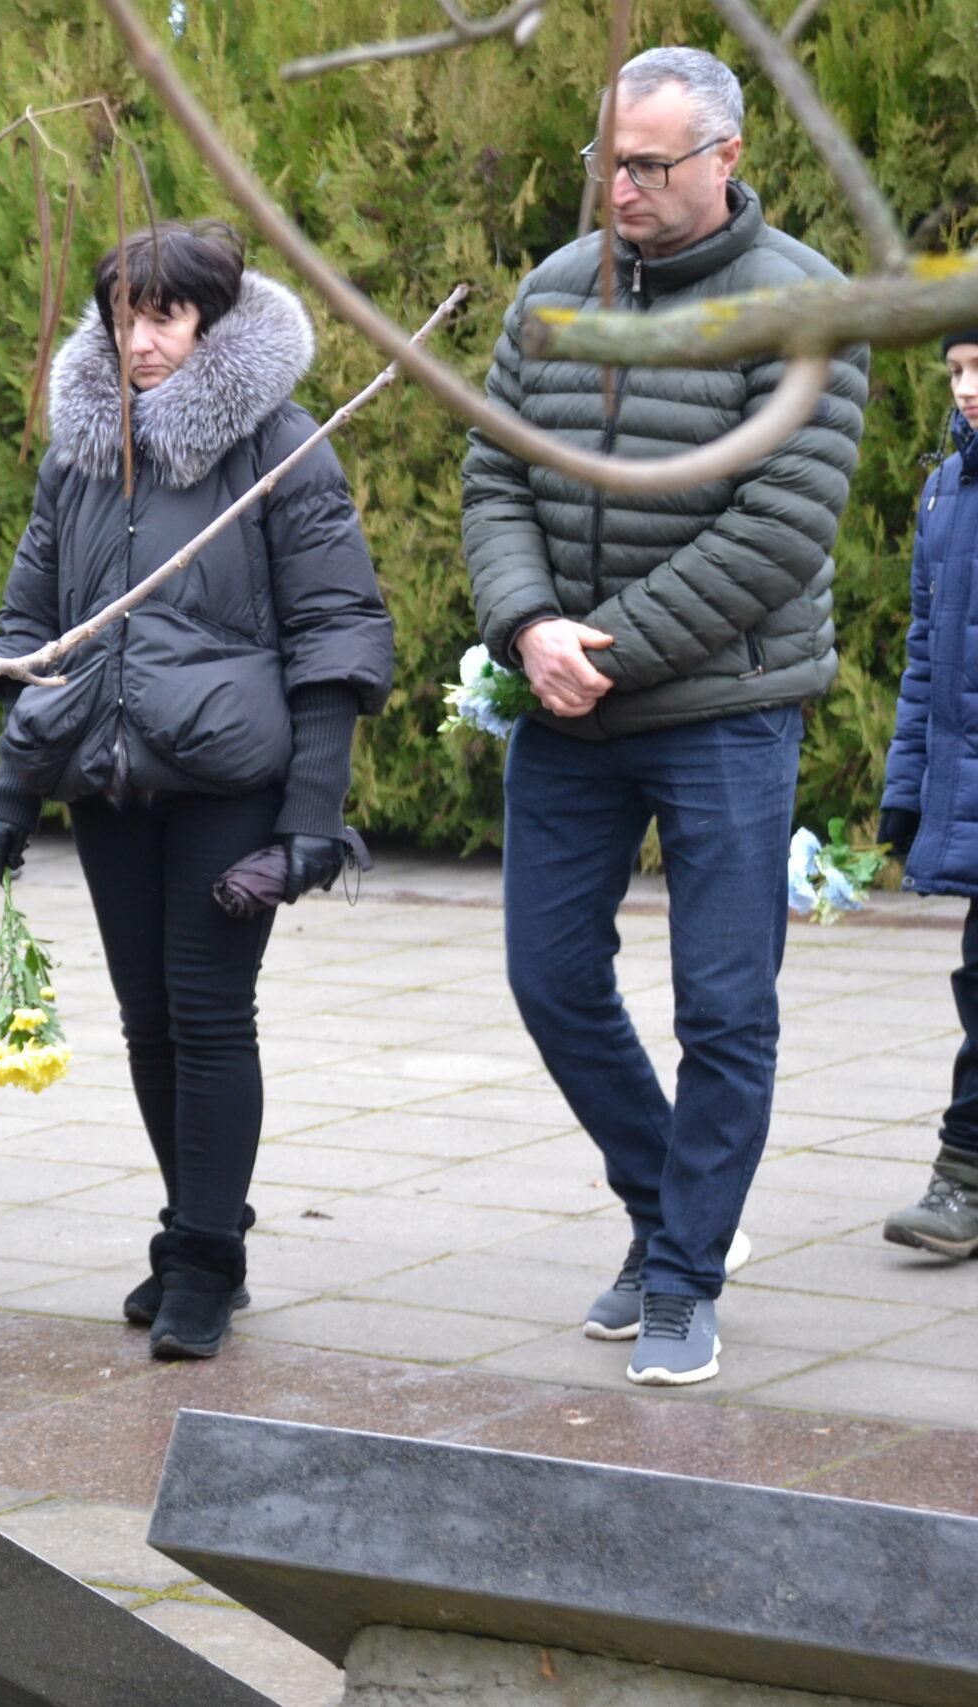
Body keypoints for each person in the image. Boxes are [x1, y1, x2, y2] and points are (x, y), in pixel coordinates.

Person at [462, 46, 871, 1386]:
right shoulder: (555, 291)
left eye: (650, 165)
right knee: (548, 976)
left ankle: (686, 1274)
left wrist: (608, 649)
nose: (621, 187)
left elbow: (778, 528)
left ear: (728, 160)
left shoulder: (807, 304)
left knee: (725, 1004)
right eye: (611, 162)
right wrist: (529, 629)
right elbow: (494, 480)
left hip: (724, 709)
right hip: (565, 700)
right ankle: (669, 1206)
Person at [0, 220, 393, 1360]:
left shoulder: (279, 444)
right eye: (123, 314)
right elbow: (33, 631)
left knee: (210, 1019)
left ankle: (203, 1260)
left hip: (226, 782)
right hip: (107, 788)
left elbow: (334, 631)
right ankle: (198, 1231)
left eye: (163, 315)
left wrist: (312, 812)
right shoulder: (79, 455)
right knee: (148, 1025)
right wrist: (14, 789)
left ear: (211, 320)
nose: (140, 340)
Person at [874, 327, 978, 1261]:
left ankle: (964, 1174)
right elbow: (925, 659)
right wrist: (907, 792)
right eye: (957, 370)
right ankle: (966, 1179)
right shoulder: (947, 493)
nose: (969, 387)